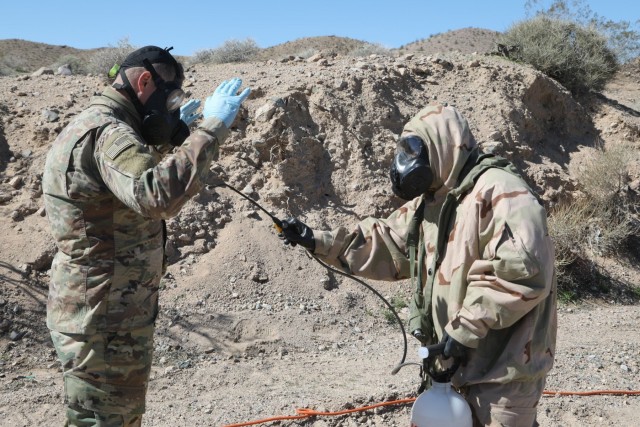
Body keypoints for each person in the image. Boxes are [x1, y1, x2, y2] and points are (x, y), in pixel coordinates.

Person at [280, 104, 557, 426]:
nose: (408, 162)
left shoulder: (503, 192)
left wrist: (465, 328)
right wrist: (318, 240)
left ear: (443, 145)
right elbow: (387, 243)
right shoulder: (435, 199)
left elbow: (523, 271)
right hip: (452, 361)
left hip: (501, 372)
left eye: (416, 150)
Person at [42, 45, 250, 426]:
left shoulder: (96, 125)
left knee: (102, 417)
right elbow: (155, 197)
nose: (170, 109)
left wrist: (161, 141)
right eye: (170, 98)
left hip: (103, 309)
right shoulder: (110, 134)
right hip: (106, 317)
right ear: (143, 82)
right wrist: (210, 129)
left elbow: (115, 194)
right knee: (106, 420)